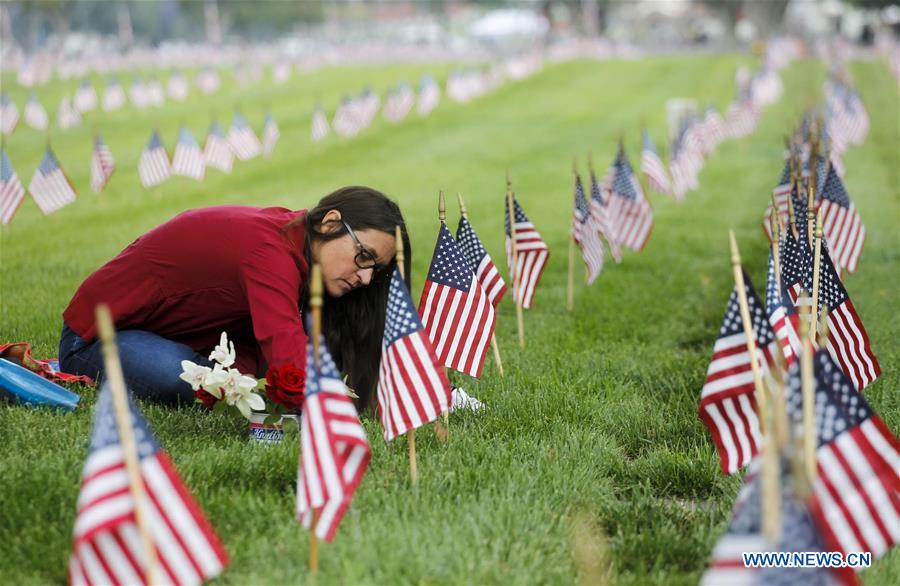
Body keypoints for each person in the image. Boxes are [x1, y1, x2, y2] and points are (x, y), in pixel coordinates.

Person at [59, 186, 411, 411]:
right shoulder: (269, 251)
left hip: (182, 335)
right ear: (331, 222)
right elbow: (284, 350)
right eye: (363, 256)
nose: (366, 277)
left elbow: (254, 336)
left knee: (227, 379)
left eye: (375, 270)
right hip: (96, 336)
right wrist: (335, 407)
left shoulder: (300, 248)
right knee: (187, 380)